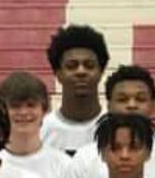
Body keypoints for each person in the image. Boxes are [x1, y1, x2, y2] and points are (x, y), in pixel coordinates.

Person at [42, 24, 110, 153]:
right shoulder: (42, 131)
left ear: (101, 72)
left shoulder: (116, 129)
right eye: (71, 66)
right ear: (58, 73)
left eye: (89, 65)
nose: (81, 71)